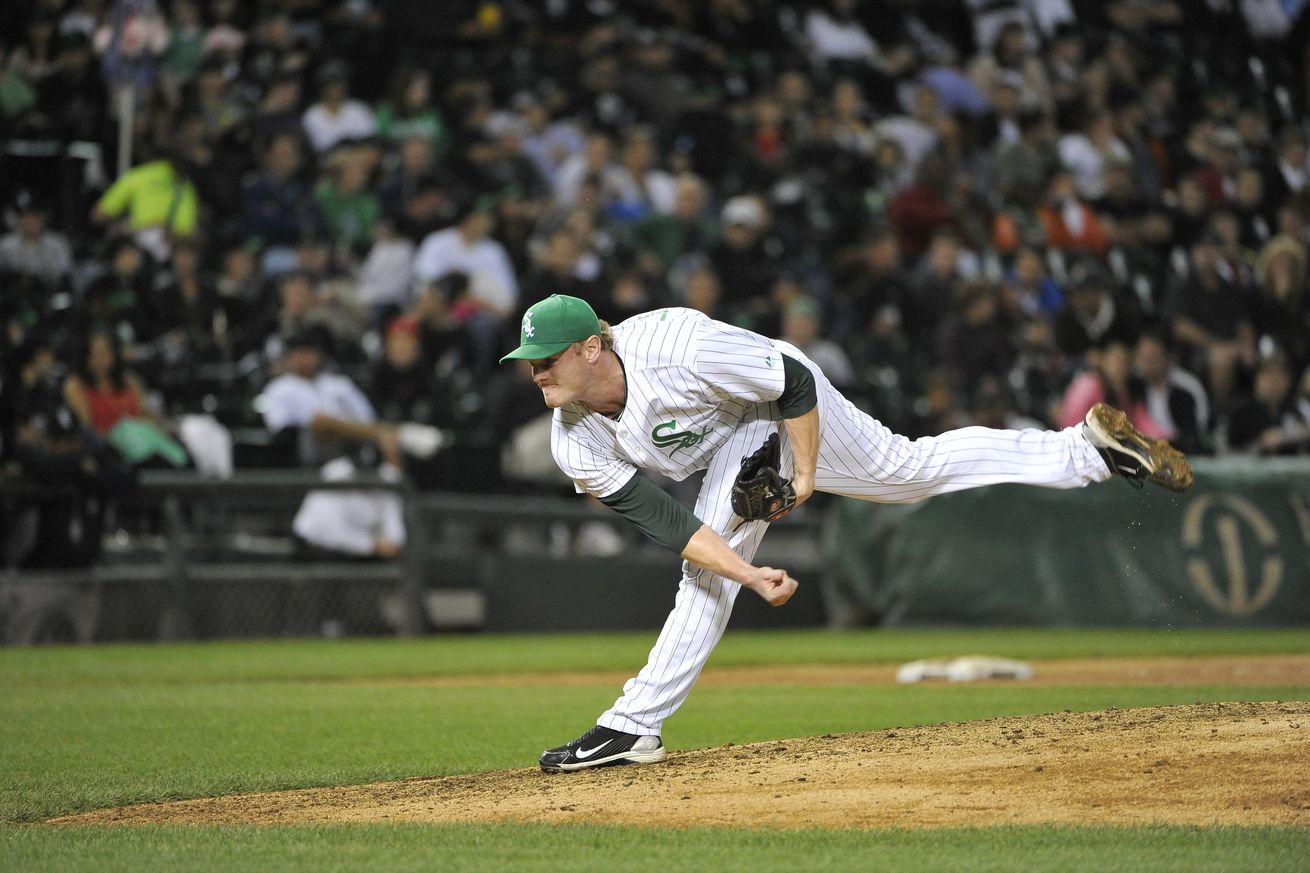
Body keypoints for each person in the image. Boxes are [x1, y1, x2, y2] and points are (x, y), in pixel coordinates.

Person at [499, 294, 1193, 772]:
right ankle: (1086, 452)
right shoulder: (574, 440)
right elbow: (671, 523)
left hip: (779, 398)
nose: (536, 369)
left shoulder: (676, 344)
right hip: (733, 435)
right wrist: (748, 573)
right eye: (530, 357)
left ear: (593, 347)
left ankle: (633, 724)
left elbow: (793, 379)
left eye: (549, 355)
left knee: (728, 554)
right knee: (906, 472)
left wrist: (802, 474)